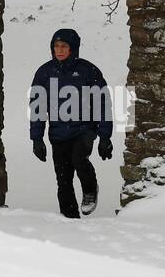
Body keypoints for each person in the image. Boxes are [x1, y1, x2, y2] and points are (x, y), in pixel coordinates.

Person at [28, 28, 114, 218]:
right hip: (58, 134)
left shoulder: (88, 71)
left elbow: (103, 103)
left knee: (79, 159)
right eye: (56, 46)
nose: (59, 50)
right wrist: (37, 138)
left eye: (64, 46)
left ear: (73, 49)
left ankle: (90, 190)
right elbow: (37, 107)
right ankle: (70, 221)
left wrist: (104, 136)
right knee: (63, 179)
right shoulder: (44, 73)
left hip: (84, 130)